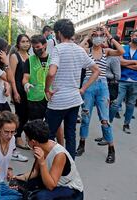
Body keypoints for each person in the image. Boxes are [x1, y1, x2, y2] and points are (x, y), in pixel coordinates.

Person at [45, 19, 100, 159]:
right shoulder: (79, 50)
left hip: (58, 100)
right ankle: (70, 166)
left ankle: (49, 164)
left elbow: (51, 72)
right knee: (70, 134)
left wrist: (47, 89)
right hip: (74, 100)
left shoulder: (58, 49)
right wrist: (82, 89)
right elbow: (96, 70)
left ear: (58, 33)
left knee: (49, 134)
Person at [17, 120, 84, 200]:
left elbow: (51, 186)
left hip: (72, 191)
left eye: (27, 138)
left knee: (42, 198)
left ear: (33, 141)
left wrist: (42, 162)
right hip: (53, 182)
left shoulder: (59, 155)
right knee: (22, 184)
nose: (27, 141)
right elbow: (35, 171)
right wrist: (22, 177)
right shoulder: (40, 147)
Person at [76, 27, 124, 164]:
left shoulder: (106, 51)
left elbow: (121, 51)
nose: (98, 37)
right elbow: (78, 49)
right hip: (88, 84)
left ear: (103, 37)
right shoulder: (87, 51)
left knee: (105, 119)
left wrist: (109, 35)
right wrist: (86, 37)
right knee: (85, 117)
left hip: (102, 85)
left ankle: (111, 149)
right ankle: (82, 144)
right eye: (95, 35)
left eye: (100, 35)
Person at [0, 37, 27, 162]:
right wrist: (7, 64)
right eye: (5, 50)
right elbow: (10, 78)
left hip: (1, 99)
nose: (7, 53)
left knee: (2, 126)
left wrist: (7, 87)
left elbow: (6, 81)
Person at [22, 35, 64, 145]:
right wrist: (26, 84)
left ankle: (60, 146)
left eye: (38, 47)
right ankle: (36, 145)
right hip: (35, 97)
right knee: (36, 124)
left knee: (56, 123)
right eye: (34, 47)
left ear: (44, 45)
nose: (36, 49)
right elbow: (25, 78)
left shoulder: (53, 59)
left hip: (51, 96)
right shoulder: (29, 60)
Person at [109, 29, 137, 134]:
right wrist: (135, 62)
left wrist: (128, 64)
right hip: (122, 80)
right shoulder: (123, 48)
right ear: (131, 36)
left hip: (136, 81)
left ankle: (126, 124)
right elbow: (120, 62)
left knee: (131, 104)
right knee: (115, 103)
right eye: (136, 35)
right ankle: (108, 123)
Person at [94, 35, 122, 146]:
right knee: (102, 115)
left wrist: (101, 73)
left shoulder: (113, 58)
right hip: (101, 85)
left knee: (105, 116)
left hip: (109, 87)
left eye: (104, 41)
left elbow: (118, 76)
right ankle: (105, 136)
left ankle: (107, 139)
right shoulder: (102, 55)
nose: (101, 42)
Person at [9, 34, 30, 150]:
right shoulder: (14, 56)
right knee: (20, 114)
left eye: (27, 41)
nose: (26, 43)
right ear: (18, 44)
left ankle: (20, 135)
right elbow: (11, 76)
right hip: (18, 89)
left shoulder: (30, 56)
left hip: (28, 90)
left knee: (27, 115)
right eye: (23, 41)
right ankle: (17, 137)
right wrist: (14, 93)